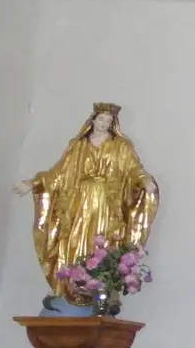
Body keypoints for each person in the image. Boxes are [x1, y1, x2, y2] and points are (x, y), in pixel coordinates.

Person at [15, 103, 159, 298]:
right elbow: (59, 173)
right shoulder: (78, 146)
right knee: (74, 241)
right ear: (92, 120)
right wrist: (33, 182)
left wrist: (145, 180)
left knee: (101, 241)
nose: (104, 123)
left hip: (105, 203)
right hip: (79, 202)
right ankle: (71, 285)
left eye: (109, 121)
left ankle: (98, 285)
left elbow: (132, 169)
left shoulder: (121, 146)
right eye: (101, 119)